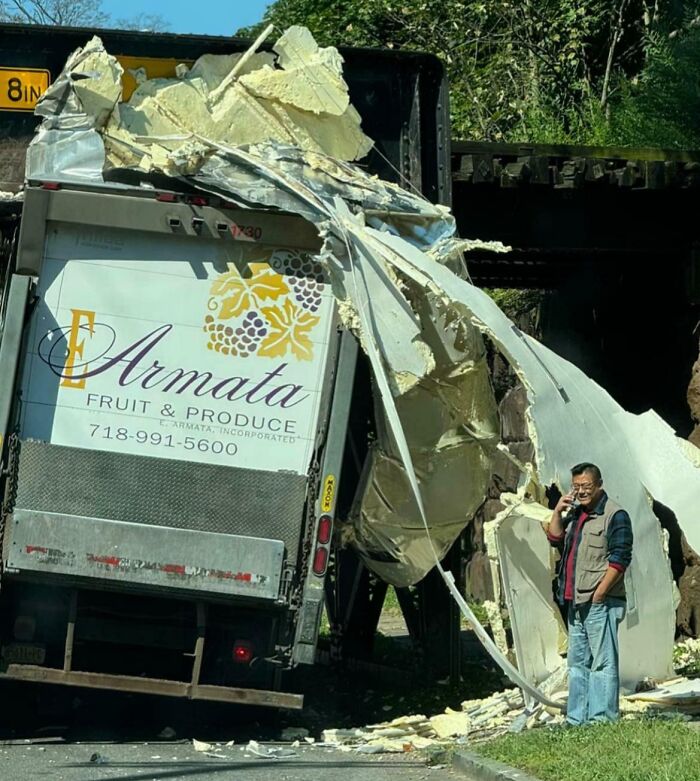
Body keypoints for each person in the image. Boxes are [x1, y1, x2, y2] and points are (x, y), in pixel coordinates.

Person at [546, 462, 633, 725]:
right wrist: (558, 511)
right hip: (575, 601)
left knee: (602, 663)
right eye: (576, 487)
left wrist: (600, 594)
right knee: (577, 664)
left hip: (600, 601)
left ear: (599, 485)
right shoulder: (576, 514)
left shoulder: (615, 515)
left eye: (586, 486)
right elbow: (555, 538)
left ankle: (601, 720)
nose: (581, 491)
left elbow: (620, 559)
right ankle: (577, 720)